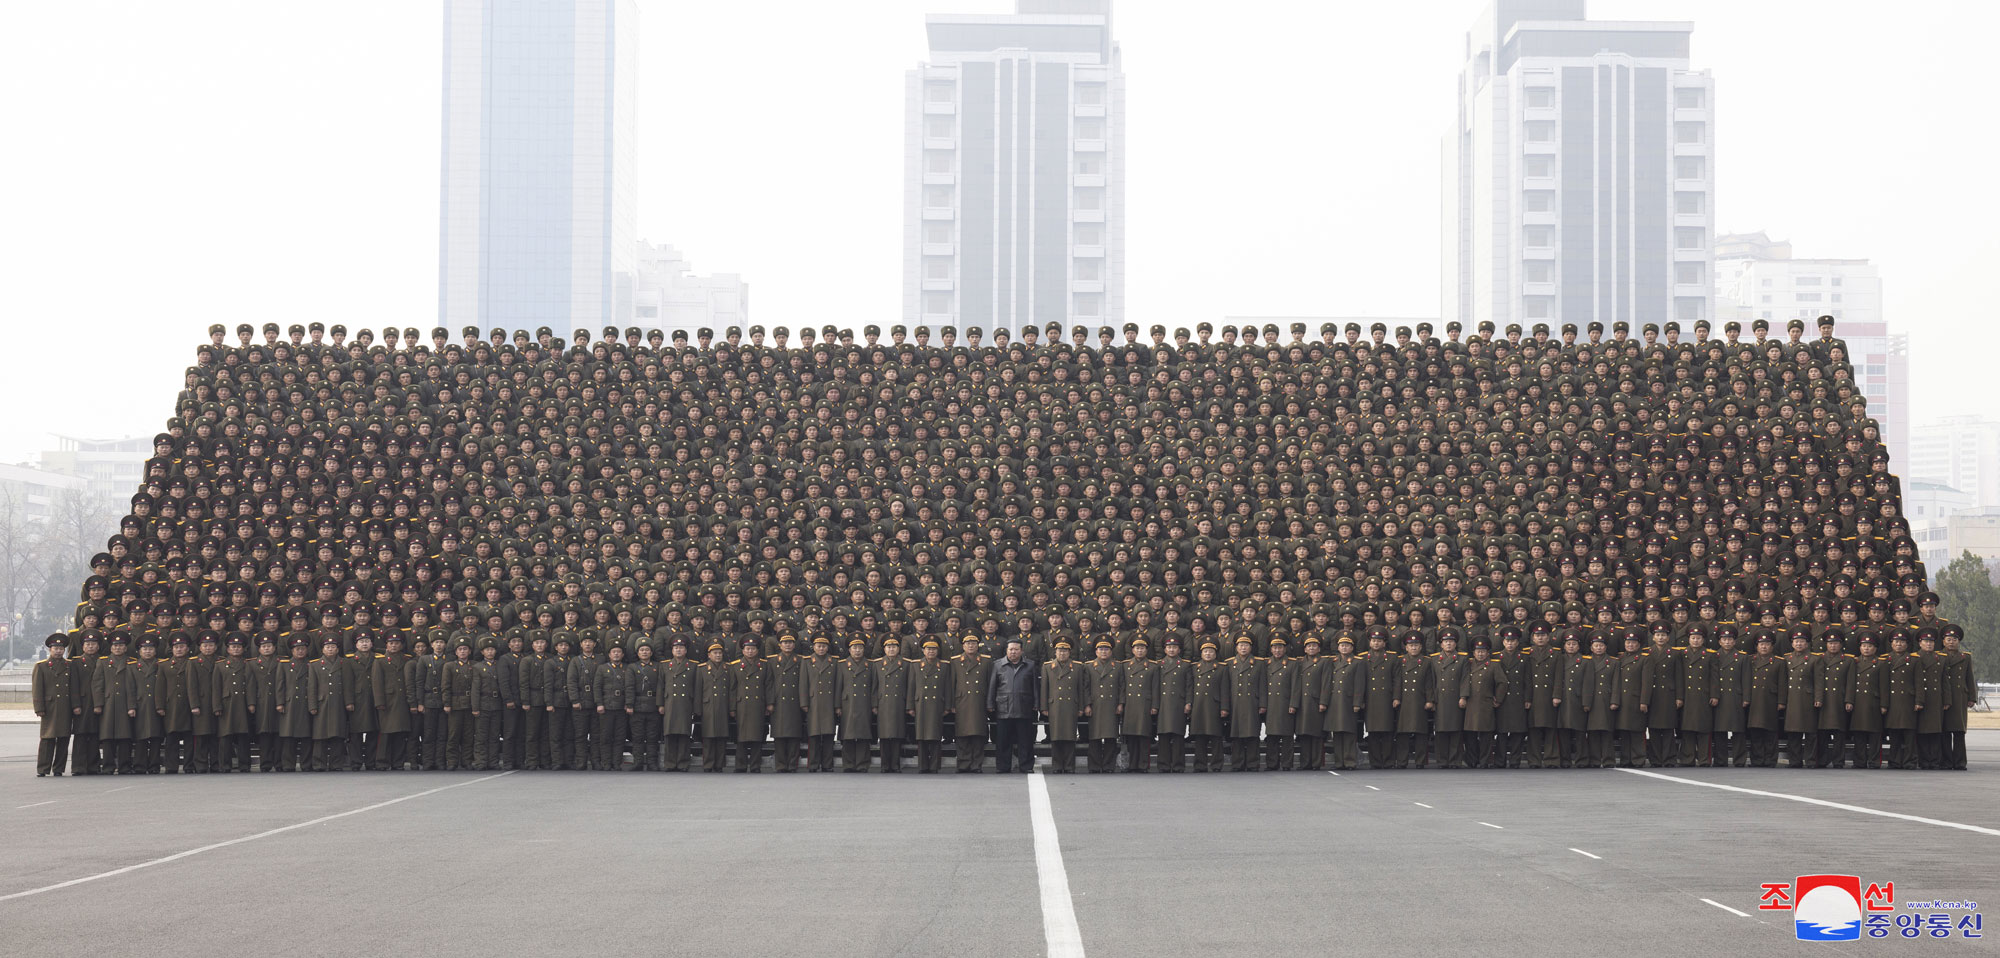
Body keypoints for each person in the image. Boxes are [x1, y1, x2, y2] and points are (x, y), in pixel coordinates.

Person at [988, 638, 1037, 773]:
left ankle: (1026, 766)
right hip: (1003, 708)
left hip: (1024, 707)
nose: (1013, 652)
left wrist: (1037, 703)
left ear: (1021, 651)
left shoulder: (1030, 665)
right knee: (1003, 741)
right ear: (1006, 650)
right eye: (1010, 649)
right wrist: (990, 703)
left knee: (1025, 741)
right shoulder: (998, 665)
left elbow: (1035, 687)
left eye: (1016, 649)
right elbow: (993, 686)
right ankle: (1003, 766)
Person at [32, 635, 79, 777]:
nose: (58, 651)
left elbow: (74, 687)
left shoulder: (70, 665)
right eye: (55, 648)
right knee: (47, 738)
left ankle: (59, 768)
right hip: (50, 707)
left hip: (65, 706)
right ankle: (43, 768)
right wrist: (39, 708)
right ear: (49, 649)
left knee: (64, 738)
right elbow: (37, 689)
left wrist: (76, 706)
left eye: (61, 649)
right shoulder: (41, 666)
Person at [92, 633, 138, 774]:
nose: (118, 648)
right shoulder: (103, 662)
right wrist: (98, 704)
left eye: (121, 646)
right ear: (111, 648)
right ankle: (108, 766)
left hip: (125, 703)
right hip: (108, 704)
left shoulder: (132, 662)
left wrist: (132, 706)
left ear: (125, 648)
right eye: (115, 646)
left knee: (125, 736)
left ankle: (125, 766)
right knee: (107, 737)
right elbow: (97, 684)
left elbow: (134, 686)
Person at [1459, 638, 1505, 768]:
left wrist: (1498, 699)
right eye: (1477, 651)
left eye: (1483, 651)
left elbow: (1502, 683)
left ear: (1487, 653)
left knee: (1486, 735)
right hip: (1470, 703)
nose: (1480, 654)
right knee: (1470, 734)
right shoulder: (1468, 664)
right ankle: (1472, 760)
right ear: (1473, 653)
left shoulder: (1494, 665)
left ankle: (1485, 760)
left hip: (1486, 704)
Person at [1041, 640, 1085, 774]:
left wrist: (1081, 707)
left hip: (1071, 705)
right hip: (1054, 705)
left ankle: (1069, 766)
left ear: (1069, 652)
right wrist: (1044, 707)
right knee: (1056, 737)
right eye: (1059, 650)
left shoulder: (1077, 667)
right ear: (1055, 651)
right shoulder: (1047, 666)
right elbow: (1044, 688)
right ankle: (1057, 766)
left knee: (1070, 737)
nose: (1062, 653)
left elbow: (1080, 689)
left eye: (1065, 651)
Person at [213, 633, 255, 772]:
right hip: (226, 704)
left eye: (238, 647)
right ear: (228, 649)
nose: (236, 649)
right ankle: (224, 765)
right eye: (233, 647)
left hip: (242, 703)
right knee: (225, 736)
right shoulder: (220, 666)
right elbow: (216, 687)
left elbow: (250, 685)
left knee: (243, 735)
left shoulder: (247, 664)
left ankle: (244, 764)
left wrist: (251, 703)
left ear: (243, 649)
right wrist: (217, 706)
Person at [309, 638, 352, 772]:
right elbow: (312, 687)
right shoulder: (315, 665)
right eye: (328, 647)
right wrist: (312, 706)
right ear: (322, 649)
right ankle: (319, 764)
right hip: (322, 703)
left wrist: (349, 702)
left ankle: (336, 764)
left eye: (333, 647)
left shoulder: (344, 663)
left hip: (338, 703)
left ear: (338, 649)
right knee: (319, 735)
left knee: (337, 735)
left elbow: (348, 684)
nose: (330, 649)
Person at [1813, 631, 1855, 769]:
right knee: (1822, 732)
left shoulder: (1848, 660)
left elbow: (1850, 683)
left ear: (1841, 644)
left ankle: (1838, 760)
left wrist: (1849, 700)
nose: (1833, 646)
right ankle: (1822, 760)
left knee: (1839, 733)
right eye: (1830, 643)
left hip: (1838, 699)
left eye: (1836, 643)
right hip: (1823, 700)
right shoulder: (1819, 659)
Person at [908, 639, 951, 773]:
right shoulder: (915, 665)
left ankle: (934, 766)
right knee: (921, 736)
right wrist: (910, 706)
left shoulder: (944, 666)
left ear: (937, 651)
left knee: (935, 735)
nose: (931, 651)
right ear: (923, 650)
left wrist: (947, 706)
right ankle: (923, 765)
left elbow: (947, 688)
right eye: (928, 649)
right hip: (920, 704)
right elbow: (911, 687)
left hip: (937, 704)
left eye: (934, 649)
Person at [1119, 637, 1160, 772]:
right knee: (1131, 736)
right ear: (1132, 650)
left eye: (1142, 648)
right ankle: (1132, 764)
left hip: (1144, 704)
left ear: (1146, 650)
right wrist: (1122, 703)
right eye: (1137, 648)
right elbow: (1122, 686)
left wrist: (1154, 705)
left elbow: (1155, 687)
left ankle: (1143, 765)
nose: (1140, 650)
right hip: (1130, 704)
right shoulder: (1125, 665)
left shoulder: (1153, 666)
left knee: (1143, 736)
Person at [1261, 636, 1300, 771]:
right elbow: (1262, 686)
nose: (1277, 650)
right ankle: (1272, 763)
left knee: (1287, 736)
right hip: (1271, 704)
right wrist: (1263, 704)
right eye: (1275, 648)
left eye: (1280, 648)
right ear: (1271, 649)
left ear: (1285, 649)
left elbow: (1296, 686)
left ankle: (1287, 763)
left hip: (1285, 703)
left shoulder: (1292, 664)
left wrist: (1293, 704)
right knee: (1271, 736)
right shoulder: (1266, 663)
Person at [1083, 639, 1123, 773]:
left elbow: (1122, 686)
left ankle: (1108, 766)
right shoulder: (1088, 666)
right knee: (1094, 737)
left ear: (1111, 651)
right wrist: (1087, 704)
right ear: (1096, 651)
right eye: (1100, 649)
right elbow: (1086, 687)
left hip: (1112, 705)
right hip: (1095, 705)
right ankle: (1094, 766)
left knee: (1111, 737)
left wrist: (1120, 703)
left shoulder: (1118, 666)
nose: (1103, 652)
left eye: (1106, 649)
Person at [767, 635, 806, 772]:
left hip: (794, 701)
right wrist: (770, 702)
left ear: (794, 645)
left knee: (794, 735)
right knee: (779, 735)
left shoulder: (801, 660)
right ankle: (781, 765)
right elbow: (769, 683)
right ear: (780, 645)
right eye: (785, 643)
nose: (788, 645)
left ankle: (792, 765)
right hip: (778, 702)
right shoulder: (772, 661)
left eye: (790, 643)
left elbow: (803, 683)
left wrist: (803, 702)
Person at [1394, 635, 1433, 768]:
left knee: (1421, 732)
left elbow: (1429, 682)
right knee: (1402, 732)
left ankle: (1420, 761)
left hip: (1419, 699)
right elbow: (1397, 681)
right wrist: (1396, 698)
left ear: (1421, 647)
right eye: (1411, 645)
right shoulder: (1400, 660)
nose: (1414, 647)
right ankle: (1402, 761)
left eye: (1416, 645)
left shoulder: (1427, 661)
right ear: (1406, 647)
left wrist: (1429, 700)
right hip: (1404, 700)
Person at [274, 637, 314, 772]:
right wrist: (280, 703)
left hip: (306, 703)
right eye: (297, 649)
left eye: (303, 649)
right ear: (292, 651)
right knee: (288, 737)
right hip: (289, 704)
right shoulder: (284, 665)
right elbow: (280, 685)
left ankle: (306, 764)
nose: (300, 651)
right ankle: (288, 764)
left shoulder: (311, 665)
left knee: (306, 736)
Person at [802, 636, 840, 773]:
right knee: (814, 735)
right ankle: (813, 764)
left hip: (829, 702)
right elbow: (803, 684)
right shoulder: (806, 661)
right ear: (813, 647)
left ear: (828, 647)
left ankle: (827, 764)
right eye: (818, 646)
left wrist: (837, 705)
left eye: (824, 646)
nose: (821, 648)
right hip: (814, 702)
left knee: (829, 735)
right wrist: (804, 703)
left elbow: (837, 685)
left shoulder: (834, 661)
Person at [1846, 635, 1885, 769]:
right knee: (1859, 733)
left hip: (1873, 702)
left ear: (1875, 648)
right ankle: (1859, 761)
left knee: (1875, 734)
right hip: (1858, 702)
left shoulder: (1880, 663)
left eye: (1869, 646)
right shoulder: (1854, 662)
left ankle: (1874, 761)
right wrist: (1849, 700)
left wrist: (1884, 704)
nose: (1866, 649)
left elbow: (1884, 686)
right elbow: (1850, 683)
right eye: (1864, 646)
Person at [835, 638, 874, 772]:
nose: (857, 651)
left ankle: (863, 764)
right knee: (848, 735)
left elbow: (873, 687)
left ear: (864, 650)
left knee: (863, 735)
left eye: (860, 648)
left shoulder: (870, 665)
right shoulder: (842, 665)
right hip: (847, 704)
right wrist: (837, 706)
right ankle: (849, 764)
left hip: (864, 703)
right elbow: (838, 687)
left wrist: (874, 705)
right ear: (849, 650)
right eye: (854, 648)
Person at [1154, 636, 1192, 773]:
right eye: (1169, 647)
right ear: (1164, 649)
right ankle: (1163, 765)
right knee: (1163, 735)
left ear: (1179, 649)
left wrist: (1188, 702)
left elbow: (1189, 686)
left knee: (1178, 736)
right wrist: (1155, 705)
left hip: (1178, 703)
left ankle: (1178, 765)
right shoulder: (1159, 665)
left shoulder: (1185, 665)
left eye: (1174, 647)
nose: (1171, 649)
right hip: (1163, 703)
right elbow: (1155, 686)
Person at [871, 637, 909, 772]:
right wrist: (874, 704)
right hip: (883, 703)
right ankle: (885, 765)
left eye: (894, 647)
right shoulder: (877, 664)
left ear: (898, 649)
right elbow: (874, 686)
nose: (891, 649)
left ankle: (895, 764)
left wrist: (908, 704)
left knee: (897, 735)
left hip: (899, 702)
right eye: (888, 647)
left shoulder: (906, 664)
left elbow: (909, 686)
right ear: (884, 649)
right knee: (884, 735)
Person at [696, 642, 734, 772]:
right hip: (708, 706)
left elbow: (732, 689)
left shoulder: (728, 668)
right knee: (708, 737)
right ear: (709, 655)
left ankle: (719, 764)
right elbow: (698, 690)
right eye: (715, 653)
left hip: (723, 705)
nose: (718, 655)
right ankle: (708, 764)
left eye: (720, 653)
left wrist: (732, 707)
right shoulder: (701, 669)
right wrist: (697, 709)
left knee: (721, 737)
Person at [663, 638, 700, 772]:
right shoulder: (665, 665)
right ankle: (670, 763)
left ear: (686, 650)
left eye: (681, 647)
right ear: (672, 650)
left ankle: (683, 763)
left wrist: (696, 707)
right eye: (676, 648)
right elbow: (661, 686)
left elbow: (696, 688)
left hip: (685, 703)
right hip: (669, 703)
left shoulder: (693, 666)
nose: (678, 650)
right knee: (670, 734)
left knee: (684, 734)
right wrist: (660, 705)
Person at [594, 643, 632, 770]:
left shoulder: (627, 668)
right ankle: (606, 762)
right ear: (609, 654)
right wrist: (599, 704)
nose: (616, 654)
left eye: (619, 651)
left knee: (620, 737)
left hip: (621, 707)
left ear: (622, 654)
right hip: (607, 706)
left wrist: (628, 703)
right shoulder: (602, 668)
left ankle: (616, 763)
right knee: (605, 736)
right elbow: (597, 687)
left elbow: (630, 687)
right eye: (613, 651)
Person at [1941, 625, 1974, 770]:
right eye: (1948, 639)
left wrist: (1972, 697)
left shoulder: (1965, 657)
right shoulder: (1938, 656)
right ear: (1943, 641)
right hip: (1943, 698)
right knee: (1945, 731)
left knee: (1959, 732)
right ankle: (1947, 762)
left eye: (1954, 639)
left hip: (1960, 697)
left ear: (1958, 641)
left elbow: (1970, 678)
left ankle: (1960, 762)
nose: (1951, 642)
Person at [440, 641, 476, 771]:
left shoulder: (475, 665)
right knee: (454, 734)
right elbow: (445, 686)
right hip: (455, 704)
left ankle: (466, 760)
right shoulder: (449, 666)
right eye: (460, 649)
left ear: (469, 651)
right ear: (455, 652)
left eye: (465, 649)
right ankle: (452, 760)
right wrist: (447, 703)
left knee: (468, 734)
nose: (462, 651)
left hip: (470, 703)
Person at [628, 642, 663, 771]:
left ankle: (652, 762)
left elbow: (661, 686)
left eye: (647, 650)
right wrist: (629, 704)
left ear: (651, 652)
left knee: (652, 736)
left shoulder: (658, 666)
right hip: (637, 705)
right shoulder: (632, 667)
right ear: (637, 653)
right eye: (641, 650)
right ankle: (637, 762)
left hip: (653, 705)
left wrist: (660, 704)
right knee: (637, 736)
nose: (644, 652)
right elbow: (629, 687)